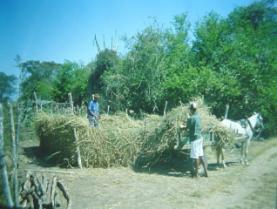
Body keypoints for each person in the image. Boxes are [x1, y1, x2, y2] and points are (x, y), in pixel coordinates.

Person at [183, 102, 208, 177]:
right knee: (201, 155)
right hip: (200, 138)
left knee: (196, 156)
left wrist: (187, 120)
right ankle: (206, 172)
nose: (189, 111)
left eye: (190, 109)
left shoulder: (192, 118)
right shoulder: (198, 116)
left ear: (191, 109)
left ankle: (196, 174)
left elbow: (187, 127)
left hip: (195, 139)